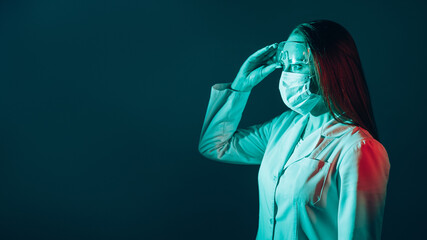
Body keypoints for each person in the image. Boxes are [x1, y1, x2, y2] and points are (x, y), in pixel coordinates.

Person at [198, 20, 390, 240]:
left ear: (328, 68)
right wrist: (241, 85)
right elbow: (214, 145)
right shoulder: (283, 127)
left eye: (298, 66)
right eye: (285, 67)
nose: (287, 76)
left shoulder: (357, 148)